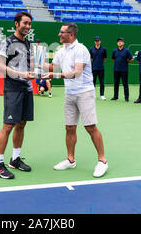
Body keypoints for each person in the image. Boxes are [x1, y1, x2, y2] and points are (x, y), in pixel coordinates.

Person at [44, 22, 108, 178]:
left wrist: (55, 76)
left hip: (85, 92)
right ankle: (70, 160)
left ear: (71, 35)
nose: (59, 34)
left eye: (62, 32)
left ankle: (102, 161)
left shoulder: (81, 49)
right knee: (69, 128)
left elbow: (77, 73)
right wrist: (33, 63)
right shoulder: (61, 50)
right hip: (70, 93)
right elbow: (53, 67)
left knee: (90, 127)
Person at [0, 11, 34, 179]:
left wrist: (43, 71)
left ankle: (15, 159)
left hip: (27, 89)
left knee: (22, 124)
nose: (28, 27)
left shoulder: (29, 44)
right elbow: (0, 67)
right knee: (8, 126)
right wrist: (20, 74)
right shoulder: (7, 42)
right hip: (13, 88)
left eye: (30, 24)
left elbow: (29, 66)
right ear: (16, 24)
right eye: (25, 23)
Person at [110, 37, 133, 102]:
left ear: (123, 43)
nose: (119, 42)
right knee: (116, 83)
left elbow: (131, 59)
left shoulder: (127, 51)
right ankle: (115, 97)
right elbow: (113, 59)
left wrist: (125, 62)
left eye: (121, 41)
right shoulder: (114, 51)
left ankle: (126, 98)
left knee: (125, 84)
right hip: (116, 70)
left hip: (124, 70)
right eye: (118, 41)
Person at [89, 36, 107, 100]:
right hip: (94, 68)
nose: (97, 42)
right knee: (93, 82)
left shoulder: (104, 49)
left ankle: (102, 95)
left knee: (102, 82)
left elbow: (104, 58)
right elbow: (90, 58)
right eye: (96, 41)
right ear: (94, 42)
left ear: (100, 41)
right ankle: (92, 95)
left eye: (98, 41)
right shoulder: (91, 49)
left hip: (101, 68)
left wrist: (100, 63)